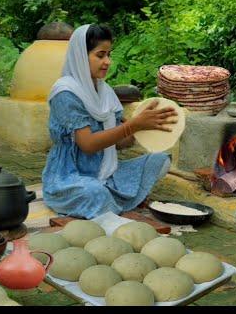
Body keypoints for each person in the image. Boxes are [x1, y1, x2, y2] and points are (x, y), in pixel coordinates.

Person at [42, 24, 179, 219]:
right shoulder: (65, 93)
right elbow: (88, 144)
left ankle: (111, 201)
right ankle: (111, 202)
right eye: (100, 55)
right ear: (81, 55)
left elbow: (121, 143)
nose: (107, 62)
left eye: (109, 54)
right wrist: (133, 125)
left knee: (159, 161)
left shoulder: (104, 92)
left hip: (106, 171)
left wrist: (141, 127)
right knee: (94, 193)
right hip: (70, 176)